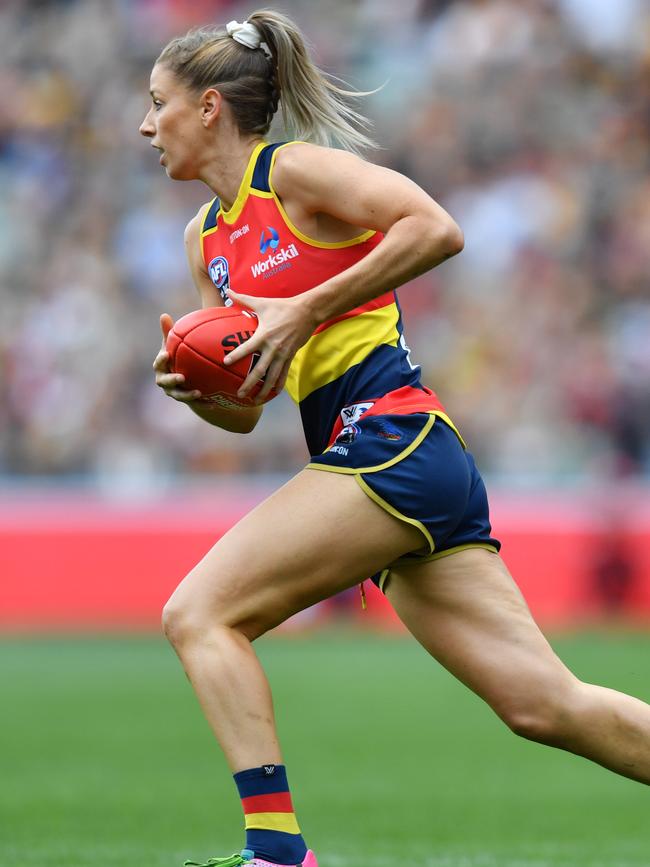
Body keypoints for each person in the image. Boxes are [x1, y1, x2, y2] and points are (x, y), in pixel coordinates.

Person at [140, 11, 650, 867]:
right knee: (544, 704)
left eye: (157, 103)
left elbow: (436, 227)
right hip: (391, 462)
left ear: (211, 109)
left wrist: (306, 308)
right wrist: (199, 393)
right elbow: (248, 407)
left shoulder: (295, 174)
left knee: (198, 612)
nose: (145, 125)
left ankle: (276, 852)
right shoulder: (207, 243)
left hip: (391, 441)